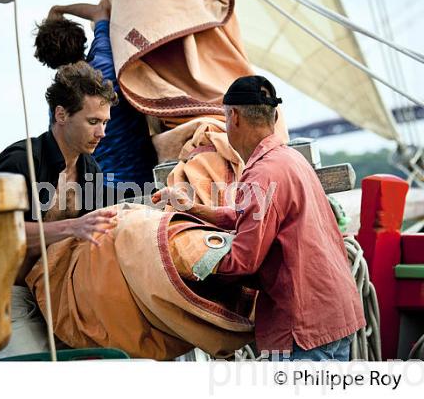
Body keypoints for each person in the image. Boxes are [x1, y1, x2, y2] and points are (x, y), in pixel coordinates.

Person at [153, 75, 366, 361]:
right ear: (274, 115)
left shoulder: (263, 174)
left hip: (303, 331)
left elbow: (243, 261)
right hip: (335, 316)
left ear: (235, 117)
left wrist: (181, 264)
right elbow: (251, 215)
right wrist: (192, 208)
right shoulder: (291, 160)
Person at [0, 61, 119, 358]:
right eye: (92, 121)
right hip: (6, 299)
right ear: (61, 114)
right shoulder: (21, 161)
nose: (102, 133)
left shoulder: (91, 169)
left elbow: (107, 217)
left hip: (60, 298)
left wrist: (155, 203)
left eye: (106, 123)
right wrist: (71, 226)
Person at [34, 0, 158, 192]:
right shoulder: (105, 62)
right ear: (81, 41)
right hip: (144, 177)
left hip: (98, 191)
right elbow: (100, 12)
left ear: (46, 60)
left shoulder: (59, 104)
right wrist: (59, 9)